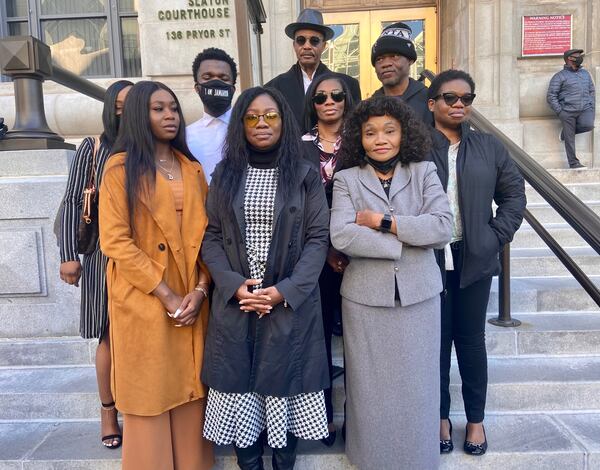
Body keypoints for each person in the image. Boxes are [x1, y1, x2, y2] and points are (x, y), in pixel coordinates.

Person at [201, 86, 330, 470]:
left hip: (288, 303)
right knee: (241, 395)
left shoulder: (305, 174)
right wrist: (231, 283)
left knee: (283, 390)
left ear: (284, 121)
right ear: (240, 124)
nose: (261, 124)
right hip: (238, 301)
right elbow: (209, 235)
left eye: (270, 115)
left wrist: (284, 292)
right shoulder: (225, 173)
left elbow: (317, 237)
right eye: (252, 116)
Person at [330, 96, 452, 470]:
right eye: (370, 132)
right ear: (359, 138)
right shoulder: (346, 179)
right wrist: (404, 243)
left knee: (418, 385)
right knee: (370, 389)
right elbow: (342, 235)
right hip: (365, 299)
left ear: (403, 133)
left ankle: (418, 458)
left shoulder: (424, 171)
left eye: (388, 130)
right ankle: (370, 459)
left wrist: (384, 222)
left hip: (420, 296)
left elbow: (443, 227)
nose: (379, 139)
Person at [99, 81, 214, 470]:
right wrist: (166, 295)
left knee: (190, 394)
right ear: (137, 116)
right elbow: (115, 242)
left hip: (191, 296)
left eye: (173, 109)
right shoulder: (119, 168)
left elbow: (209, 235)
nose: (169, 116)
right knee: (150, 397)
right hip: (145, 296)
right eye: (157, 109)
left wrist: (200, 290)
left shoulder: (191, 167)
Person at [427, 69, 526, 456]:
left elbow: (513, 196)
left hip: (474, 256)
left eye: (466, 98)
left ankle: (476, 420)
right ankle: (438, 416)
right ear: (432, 102)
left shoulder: (489, 146)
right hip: (428, 257)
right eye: (450, 98)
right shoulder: (415, 146)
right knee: (435, 343)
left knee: (470, 342)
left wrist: (492, 237)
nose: (458, 104)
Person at [59, 79, 132, 450]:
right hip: (103, 252)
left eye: (131, 103)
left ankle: (136, 408)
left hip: (144, 253)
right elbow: (72, 200)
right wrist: (68, 255)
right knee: (108, 334)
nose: (124, 109)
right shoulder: (93, 146)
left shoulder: (148, 147)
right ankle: (108, 411)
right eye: (118, 104)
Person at [301, 73, 354, 446]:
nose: (329, 101)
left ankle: (361, 416)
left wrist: (347, 247)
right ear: (313, 104)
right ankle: (323, 416)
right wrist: (325, 250)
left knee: (357, 338)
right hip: (314, 255)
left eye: (337, 95)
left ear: (347, 99)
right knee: (318, 337)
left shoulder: (365, 142)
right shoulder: (298, 146)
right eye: (321, 97)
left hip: (358, 255)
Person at [265, 8, 361, 128]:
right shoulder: (274, 88)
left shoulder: (348, 85)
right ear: (294, 45)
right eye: (301, 40)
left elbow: (354, 129)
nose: (307, 46)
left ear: (324, 45)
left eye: (314, 41)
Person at [187, 47, 237, 182]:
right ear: (197, 88)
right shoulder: (184, 136)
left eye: (223, 78)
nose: (216, 82)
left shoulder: (250, 128)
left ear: (232, 89)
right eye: (207, 77)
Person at [371, 22, 433, 125]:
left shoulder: (430, 101)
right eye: (379, 59)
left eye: (394, 56)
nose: (386, 64)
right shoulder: (370, 106)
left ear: (410, 60)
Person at [547, 48, 595, 169]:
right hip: (567, 112)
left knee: (588, 125)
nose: (580, 57)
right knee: (570, 140)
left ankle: (564, 134)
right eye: (577, 55)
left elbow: (591, 90)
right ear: (569, 58)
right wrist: (560, 112)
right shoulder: (559, 76)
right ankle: (574, 163)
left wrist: (591, 106)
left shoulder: (585, 73)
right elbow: (551, 96)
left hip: (585, 109)